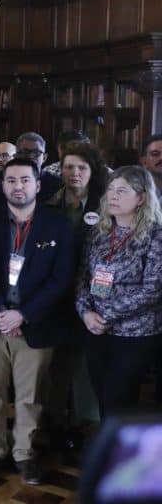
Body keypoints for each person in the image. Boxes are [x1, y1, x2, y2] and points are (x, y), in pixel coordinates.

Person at [0, 158, 76, 486]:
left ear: (38, 185)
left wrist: (23, 314)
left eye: (25, 180)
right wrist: (1, 313)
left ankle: (24, 453)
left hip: (36, 324)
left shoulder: (58, 226)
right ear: (2, 185)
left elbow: (61, 280)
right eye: (11, 180)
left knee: (29, 396)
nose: (18, 186)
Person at [76, 166, 162, 417]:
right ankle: (109, 440)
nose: (112, 196)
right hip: (95, 329)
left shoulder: (156, 236)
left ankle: (118, 443)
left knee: (119, 399)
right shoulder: (99, 233)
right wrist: (85, 313)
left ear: (142, 197)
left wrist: (106, 315)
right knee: (103, 396)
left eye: (122, 191)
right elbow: (82, 277)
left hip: (135, 334)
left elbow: (153, 290)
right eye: (111, 189)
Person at [43, 142, 108, 451]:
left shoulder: (105, 204)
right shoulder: (48, 202)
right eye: (69, 167)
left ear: (92, 171)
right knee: (56, 364)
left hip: (93, 298)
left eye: (82, 167)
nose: (74, 173)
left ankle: (84, 426)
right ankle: (54, 423)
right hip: (55, 296)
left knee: (85, 366)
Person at [16, 132, 62, 200]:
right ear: (17, 156)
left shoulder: (57, 184)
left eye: (36, 152)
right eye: (26, 152)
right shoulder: (7, 182)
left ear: (44, 158)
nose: (31, 156)